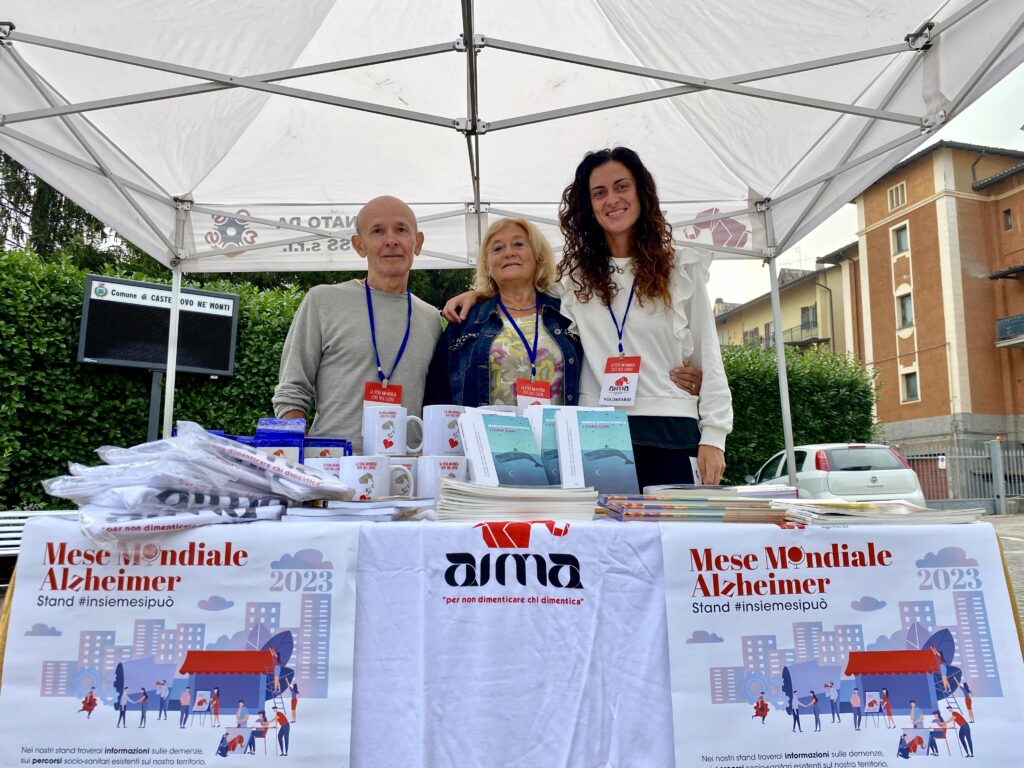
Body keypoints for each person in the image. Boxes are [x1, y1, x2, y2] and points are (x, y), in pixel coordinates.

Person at [445, 147, 730, 488]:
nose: (612, 200)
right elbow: (521, 287)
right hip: (597, 434)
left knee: (671, 525)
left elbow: (710, 359)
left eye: (622, 187)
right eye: (599, 193)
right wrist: (478, 295)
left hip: (671, 431)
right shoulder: (575, 278)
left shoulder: (680, 268)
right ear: (589, 206)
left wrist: (714, 437)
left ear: (641, 193)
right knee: (602, 526)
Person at [274, 196, 443, 452]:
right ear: (359, 245)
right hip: (331, 466)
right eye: (377, 231)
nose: (391, 240)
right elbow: (291, 391)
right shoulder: (323, 301)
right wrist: (298, 459)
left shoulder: (431, 318)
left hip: (406, 469)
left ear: (417, 242)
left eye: (401, 229)